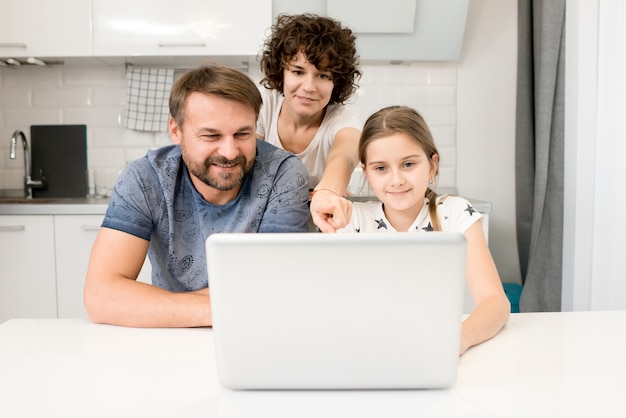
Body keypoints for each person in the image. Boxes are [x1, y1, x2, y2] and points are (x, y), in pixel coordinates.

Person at [84, 65, 310, 328]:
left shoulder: (283, 173)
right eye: (211, 135)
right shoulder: (144, 178)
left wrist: (156, 306)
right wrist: (227, 307)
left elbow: (277, 289)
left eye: (243, 134)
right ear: (175, 130)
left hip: (256, 332)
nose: (229, 151)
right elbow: (100, 296)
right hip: (174, 336)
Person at [334, 106, 510, 355]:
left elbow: (496, 303)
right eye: (381, 168)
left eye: (408, 164)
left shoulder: (456, 214)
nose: (396, 180)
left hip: (434, 348)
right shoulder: (352, 222)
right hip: (368, 349)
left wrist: (460, 338)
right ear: (366, 173)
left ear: (432, 165)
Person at [257, 13, 362, 231]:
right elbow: (248, 160)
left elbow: (345, 154)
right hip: (260, 235)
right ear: (281, 72)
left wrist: (329, 191)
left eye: (323, 75)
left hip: (316, 239)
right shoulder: (262, 104)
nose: (309, 86)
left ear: (337, 81)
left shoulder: (342, 118)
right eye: (298, 71)